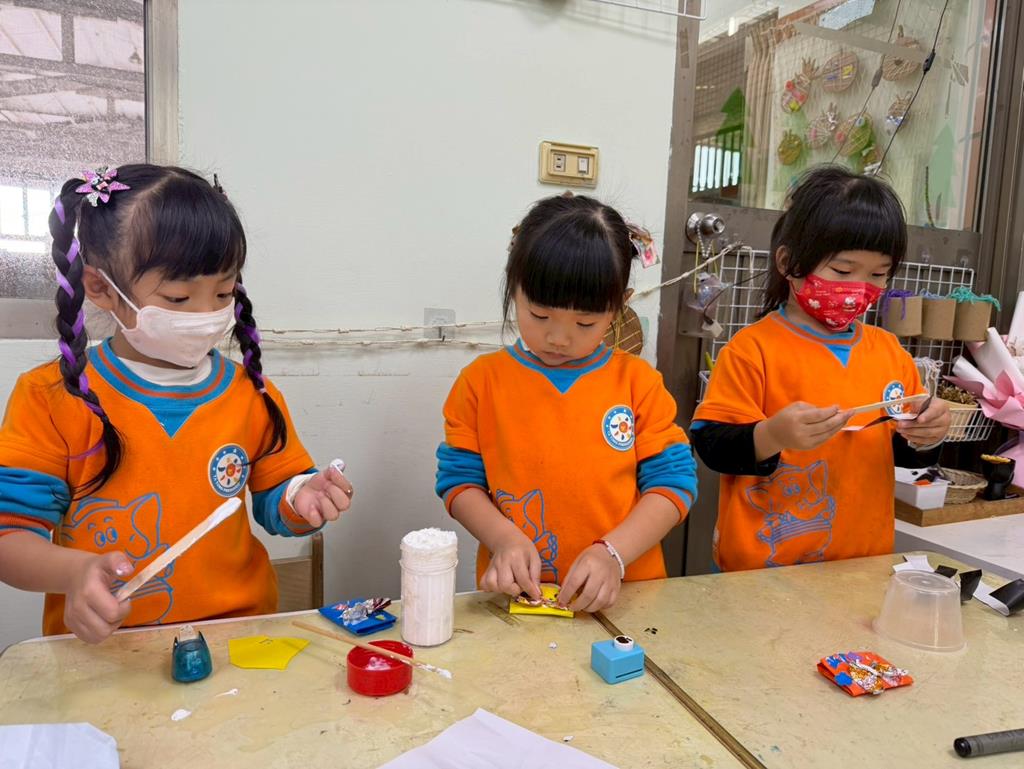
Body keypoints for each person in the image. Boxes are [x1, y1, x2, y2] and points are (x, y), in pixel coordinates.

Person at [0, 164, 353, 642]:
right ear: (101, 288)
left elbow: (276, 499)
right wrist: (75, 572)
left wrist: (302, 497)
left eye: (223, 292)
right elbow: (10, 536)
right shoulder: (52, 397)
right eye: (179, 297)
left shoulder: (250, 394)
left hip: (234, 638)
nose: (208, 315)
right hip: (108, 650)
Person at [435, 193, 697, 612]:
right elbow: (459, 482)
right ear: (514, 289)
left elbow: (673, 485)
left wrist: (613, 554)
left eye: (585, 323)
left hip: (628, 598)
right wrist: (503, 538)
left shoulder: (638, 383)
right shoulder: (481, 383)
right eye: (540, 315)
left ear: (618, 307)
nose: (558, 338)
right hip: (520, 597)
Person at [691, 166, 950, 571]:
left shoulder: (889, 353)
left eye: (878, 274)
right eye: (843, 271)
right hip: (763, 569)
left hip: (860, 564)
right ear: (788, 262)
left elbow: (905, 456)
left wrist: (927, 435)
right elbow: (712, 445)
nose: (858, 287)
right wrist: (772, 434)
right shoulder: (752, 349)